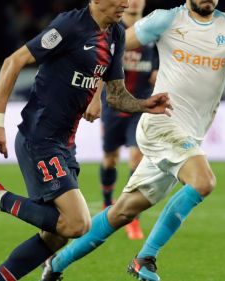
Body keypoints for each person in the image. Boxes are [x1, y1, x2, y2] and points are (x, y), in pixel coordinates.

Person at [41, 0, 225, 280]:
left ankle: (56, 264)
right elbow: (111, 46)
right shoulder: (165, 20)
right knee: (203, 181)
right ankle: (146, 258)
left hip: (187, 135)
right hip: (161, 124)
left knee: (122, 212)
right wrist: (95, 93)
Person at [0, 0, 172, 280]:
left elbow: (116, 96)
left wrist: (144, 104)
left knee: (55, 238)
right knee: (77, 224)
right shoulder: (71, 25)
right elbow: (14, 61)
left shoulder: (116, 34)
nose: (126, 3)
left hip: (65, 144)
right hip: (40, 138)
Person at [88, 0, 158, 240]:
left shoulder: (152, 32)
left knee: (137, 157)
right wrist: (95, 99)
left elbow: (158, 68)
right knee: (110, 159)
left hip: (140, 106)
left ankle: (131, 216)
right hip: (113, 105)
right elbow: (99, 67)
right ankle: (108, 204)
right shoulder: (112, 30)